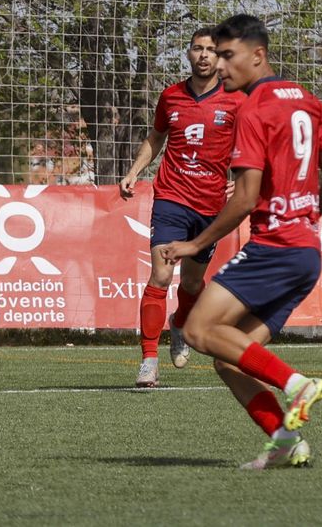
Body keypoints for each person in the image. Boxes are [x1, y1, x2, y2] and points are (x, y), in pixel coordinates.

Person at [160, 14, 322, 469]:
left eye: (227, 55)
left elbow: (243, 198)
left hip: (274, 248)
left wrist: (192, 244)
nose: (220, 66)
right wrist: (306, 218)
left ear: (257, 55)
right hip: (305, 252)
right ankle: (284, 441)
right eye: (216, 55)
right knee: (231, 358)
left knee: (199, 330)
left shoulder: (253, 107)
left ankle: (296, 383)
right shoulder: (309, 101)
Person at [119, 27, 247, 388]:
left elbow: (250, 145)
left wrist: (240, 175)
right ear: (188, 54)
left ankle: (179, 323)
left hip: (211, 207)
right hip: (171, 197)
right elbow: (156, 137)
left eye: (211, 50)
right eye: (197, 49)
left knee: (192, 282)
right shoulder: (171, 96)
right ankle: (148, 359)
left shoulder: (236, 100)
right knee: (160, 275)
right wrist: (133, 172)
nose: (204, 55)